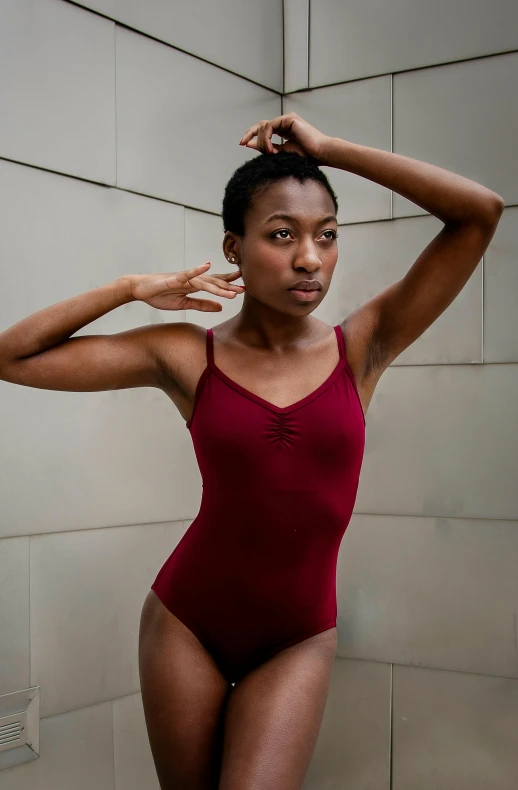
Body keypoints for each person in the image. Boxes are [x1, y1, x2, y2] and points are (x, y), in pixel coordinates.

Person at [0, 112, 504, 789]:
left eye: (327, 237)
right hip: (186, 625)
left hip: (296, 638)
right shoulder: (184, 355)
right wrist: (129, 289)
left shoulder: (364, 346)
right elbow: (12, 356)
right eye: (282, 235)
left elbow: (479, 213)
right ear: (233, 248)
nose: (309, 258)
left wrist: (328, 152)